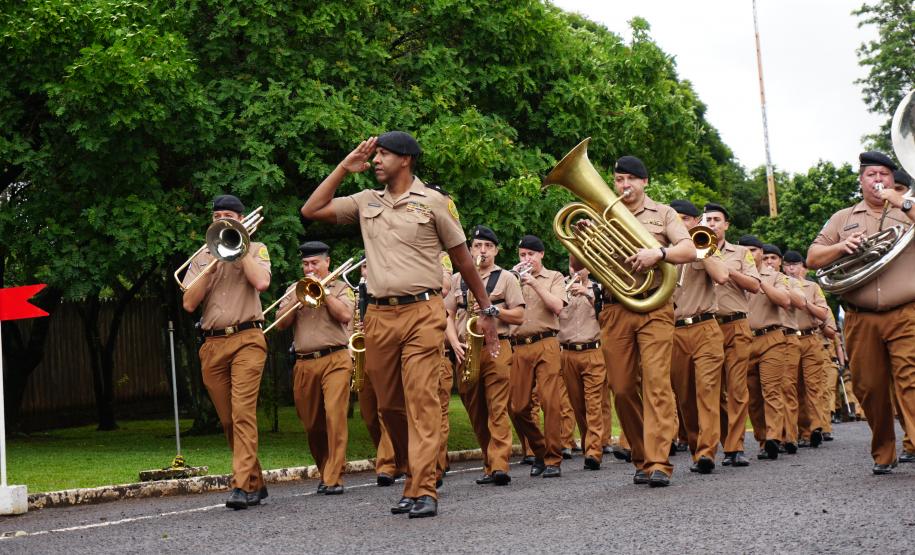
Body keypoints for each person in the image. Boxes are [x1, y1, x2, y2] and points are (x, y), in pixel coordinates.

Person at [300, 131, 499, 518]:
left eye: (383, 155)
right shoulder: (365, 201)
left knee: (422, 400)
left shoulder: (435, 203)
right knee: (389, 406)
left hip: (423, 312)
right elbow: (312, 209)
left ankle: (424, 488)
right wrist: (345, 166)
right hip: (378, 315)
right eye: (374, 156)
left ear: (405, 160)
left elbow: (463, 260)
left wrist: (487, 309)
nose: (375, 161)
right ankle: (416, 472)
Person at [808, 151, 915, 475]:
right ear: (861, 180)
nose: (878, 180)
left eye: (884, 174)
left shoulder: (906, 211)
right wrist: (841, 247)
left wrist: (902, 201)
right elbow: (813, 257)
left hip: (905, 312)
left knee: (911, 380)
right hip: (859, 316)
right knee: (869, 388)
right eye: (872, 175)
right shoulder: (843, 218)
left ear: (892, 179)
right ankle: (884, 451)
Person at [597, 155, 696, 487]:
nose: (624, 186)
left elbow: (688, 249)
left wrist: (660, 253)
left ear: (644, 182)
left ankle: (658, 461)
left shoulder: (664, 213)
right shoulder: (605, 210)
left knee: (656, 383)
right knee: (622, 388)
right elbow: (579, 262)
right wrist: (586, 232)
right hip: (615, 308)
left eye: (630, 180)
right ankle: (640, 455)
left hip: (654, 307)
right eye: (619, 180)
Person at [181, 194, 271, 510]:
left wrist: (239, 248)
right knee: (228, 420)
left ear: (242, 219)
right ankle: (255, 481)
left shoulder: (257, 249)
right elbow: (189, 303)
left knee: (242, 413)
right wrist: (215, 261)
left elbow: (261, 282)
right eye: (217, 215)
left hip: (248, 338)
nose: (222, 220)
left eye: (229, 215)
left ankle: (242, 485)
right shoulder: (201, 258)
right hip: (212, 344)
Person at [444, 225, 524, 486]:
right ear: (469, 250)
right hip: (466, 349)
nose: (482, 251)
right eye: (477, 246)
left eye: (488, 246)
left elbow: (519, 316)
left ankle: (500, 465)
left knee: (497, 407)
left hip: (497, 347)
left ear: (496, 251)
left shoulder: (507, 279)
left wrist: (494, 311)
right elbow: (446, 315)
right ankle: (490, 463)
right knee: (475, 410)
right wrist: (454, 341)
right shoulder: (458, 279)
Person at [274, 241, 354, 495]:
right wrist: (297, 300)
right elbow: (279, 324)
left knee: (334, 415)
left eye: (314, 263)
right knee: (312, 423)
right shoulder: (294, 289)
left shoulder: (341, 287)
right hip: (304, 362)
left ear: (327, 263)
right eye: (305, 264)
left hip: (336, 359)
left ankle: (334, 477)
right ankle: (326, 469)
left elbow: (345, 316)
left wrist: (324, 292)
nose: (309, 268)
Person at [668, 200, 729, 474]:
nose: (680, 223)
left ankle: (707, 452)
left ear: (696, 222)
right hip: (673, 331)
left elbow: (722, 275)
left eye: (686, 219)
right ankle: (696, 448)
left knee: (707, 390)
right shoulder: (664, 249)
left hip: (705, 327)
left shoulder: (704, 243)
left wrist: (700, 249)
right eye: (675, 218)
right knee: (685, 397)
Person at [703, 202, 760, 467]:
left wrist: (727, 269)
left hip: (736, 325)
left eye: (716, 219)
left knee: (736, 388)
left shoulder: (740, 253)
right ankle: (711, 446)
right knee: (711, 391)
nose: (711, 224)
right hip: (707, 326)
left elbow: (755, 285)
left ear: (726, 225)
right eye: (707, 220)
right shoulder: (695, 248)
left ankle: (735, 447)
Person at [509, 234, 568, 478]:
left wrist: (533, 282)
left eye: (531, 254)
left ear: (541, 254)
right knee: (518, 407)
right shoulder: (511, 279)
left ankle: (553, 459)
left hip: (546, 342)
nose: (526, 259)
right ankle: (541, 449)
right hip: (519, 346)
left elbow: (557, 306)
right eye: (522, 255)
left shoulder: (553, 277)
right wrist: (512, 279)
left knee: (550, 402)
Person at [738, 235, 791, 461]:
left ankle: (773, 437)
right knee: (752, 396)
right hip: (744, 340)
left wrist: (760, 282)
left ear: (761, 252)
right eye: (745, 250)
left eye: (754, 250)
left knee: (771, 390)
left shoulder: (776, 276)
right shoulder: (734, 275)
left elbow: (785, 301)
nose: (750, 254)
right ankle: (762, 439)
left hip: (771, 338)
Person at [558, 255, 606, 470]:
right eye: (572, 266)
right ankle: (590, 442)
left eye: (580, 266)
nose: (575, 270)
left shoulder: (600, 287)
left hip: (593, 351)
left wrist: (588, 294)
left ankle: (594, 451)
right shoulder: (560, 289)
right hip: (567, 353)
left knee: (593, 403)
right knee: (577, 405)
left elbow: (607, 315)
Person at [781, 250, 831, 449]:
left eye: (796, 264)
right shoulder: (779, 285)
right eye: (788, 264)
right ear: (783, 267)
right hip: (788, 339)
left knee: (813, 385)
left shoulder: (813, 287)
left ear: (803, 267)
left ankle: (817, 427)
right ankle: (803, 431)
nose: (791, 268)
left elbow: (823, 314)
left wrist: (805, 302)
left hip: (811, 338)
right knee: (793, 387)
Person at [762, 244, 805, 454]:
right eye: (765, 258)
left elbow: (799, 302)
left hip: (787, 337)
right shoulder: (755, 278)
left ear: (780, 262)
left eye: (773, 258)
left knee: (786, 386)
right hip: (765, 338)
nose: (769, 262)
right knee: (767, 390)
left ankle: (790, 436)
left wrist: (780, 284)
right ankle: (771, 438)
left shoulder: (788, 280)